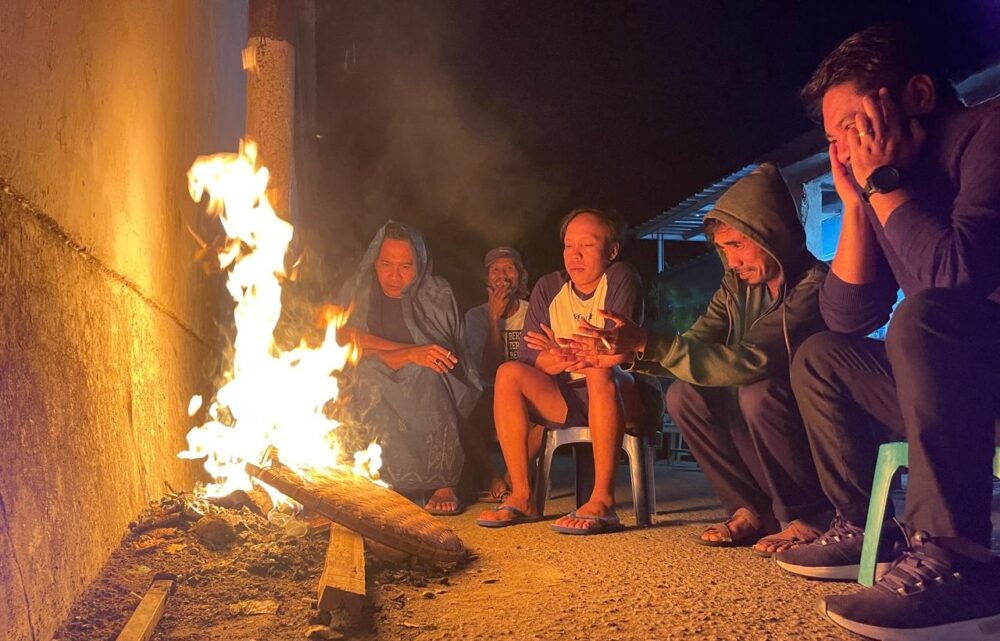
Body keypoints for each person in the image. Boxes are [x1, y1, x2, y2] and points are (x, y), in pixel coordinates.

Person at [769, 26, 1000, 640]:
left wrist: (883, 187)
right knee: (821, 356)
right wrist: (855, 204)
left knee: (922, 317)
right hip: (950, 393)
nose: (842, 151)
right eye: (833, 139)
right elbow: (847, 316)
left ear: (918, 94)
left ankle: (961, 561)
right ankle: (863, 529)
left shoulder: (989, 133)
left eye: (852, 126)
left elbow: (958, 276)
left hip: (991, 372)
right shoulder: (886, 185)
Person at [568, 163, 833, 555]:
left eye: (738, 245)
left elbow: (751, 361)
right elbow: (696, 340)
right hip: (761, 417)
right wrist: (633, 351)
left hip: (814, 429)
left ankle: (809, 516)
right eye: (723, 249)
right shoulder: (736, 287)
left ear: (772, 233)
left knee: (756, 392)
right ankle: (750, 509)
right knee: (683, 395)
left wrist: (650, 343)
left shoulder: (813, 285)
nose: (731, 260)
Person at [475, 208, 643, 534]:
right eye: (568, 245)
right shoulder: (549, 287)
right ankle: (522, 495)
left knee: (598, 369)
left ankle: (603, 501)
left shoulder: (620, 276)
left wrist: (562, 354)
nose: (575, 255)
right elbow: (530, 360)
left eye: (587, 245)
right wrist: (557, 357)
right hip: (566, 397)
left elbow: (614, 348)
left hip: (622, 395)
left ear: (612, 250)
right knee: (508, 373)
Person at [338, 221, 481, 515]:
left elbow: (441, 354)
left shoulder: (437, 294)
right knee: (363, 371)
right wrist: (408, 353)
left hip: (428, 382)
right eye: (386, 264)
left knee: (430, 371)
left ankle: (443, 482)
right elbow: (342, 339)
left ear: (421, 264)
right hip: (374, 375)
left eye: (406, 266)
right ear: (374, 262)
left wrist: (402, 355)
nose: (394, 275)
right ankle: (375, 478)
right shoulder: (359, 290)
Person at [462, 247, 530, 502]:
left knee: (545, 423)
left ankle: (513, 477)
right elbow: (489, 370)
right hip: (488, 392)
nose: (502, 275)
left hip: (523, 393)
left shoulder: (532, 311)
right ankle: (492, 475)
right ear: (487, 279)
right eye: (495, 270)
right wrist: (493, 320)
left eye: (509, 268)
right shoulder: (476, 316)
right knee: (459, 416)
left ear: (521, 276)